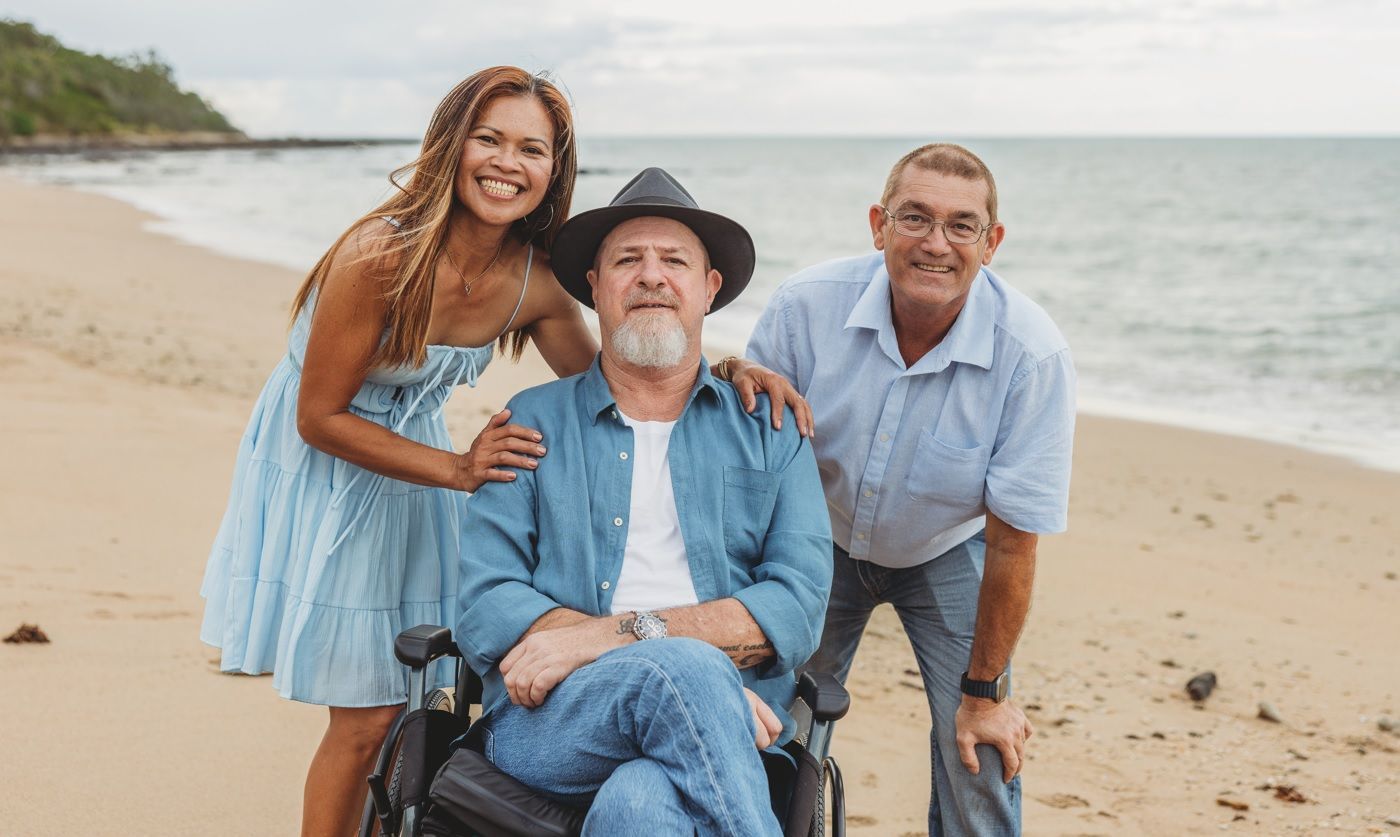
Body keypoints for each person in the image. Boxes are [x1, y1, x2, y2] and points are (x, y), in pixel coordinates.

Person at [197, 69, 805, 836]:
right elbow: (319, 416)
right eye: (489, 139)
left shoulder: (536, 277)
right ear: (452, 145)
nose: (506, 162)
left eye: (531, 148)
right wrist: (456, 469)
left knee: (418, 704)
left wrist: (724, 369)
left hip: (426, 458)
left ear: (555, 170)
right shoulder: (379, 255)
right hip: (337, 458)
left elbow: (620, 377)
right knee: (365, 713)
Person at [454, 167, 833, 835]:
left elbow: (797, 607)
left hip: (733, 721)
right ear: (595, 287)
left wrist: (612, 639)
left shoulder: (771, 430)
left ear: (708, 288)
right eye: (627, 260)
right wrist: (693, 681)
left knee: (640, 803)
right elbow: (488, 600)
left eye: (674, 261)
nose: (651, 276)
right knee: (686, 669)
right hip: (553, 723)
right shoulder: (531, 423)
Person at [742, 143, 1076, 836]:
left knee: (981, 739)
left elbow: (1014, 546)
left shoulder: (1032, 355)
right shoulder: (806, 306)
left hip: (947, 547)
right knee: (768, 717)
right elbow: (747, 467)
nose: (936, 243)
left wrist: (983, 694)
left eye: (962, 225)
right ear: (878, 224)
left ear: (992, 243)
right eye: (915, 218)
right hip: (819, 535)